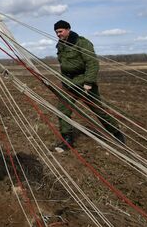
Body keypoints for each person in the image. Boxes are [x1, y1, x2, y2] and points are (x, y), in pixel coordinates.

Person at [53, 20, 125, 152]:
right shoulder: (60, 45)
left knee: (98, 110)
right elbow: (63, 64)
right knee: (63, 110)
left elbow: (92, 63)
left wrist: (88, 82)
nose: (58, 34)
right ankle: (67, 140)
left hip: (84, 82)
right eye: (56, 32)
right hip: (69, 83)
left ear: (68, 29)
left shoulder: (82, 42)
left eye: (60, 31)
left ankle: (116, 133)